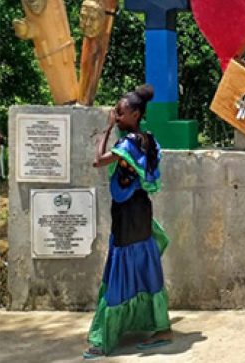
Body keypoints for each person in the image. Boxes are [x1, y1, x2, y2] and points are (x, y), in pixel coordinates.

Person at [84, 84, 172, 359]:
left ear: (135, 113)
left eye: (120, 113)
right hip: (140, 211)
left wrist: (108, 129)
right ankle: (161, 328)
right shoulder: (148, 140)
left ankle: (106, 337)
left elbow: (98, 160)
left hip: (127, 215)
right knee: (145, 266)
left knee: (121, 269)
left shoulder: (126, 145)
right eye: (115, 113)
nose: (117, 116)